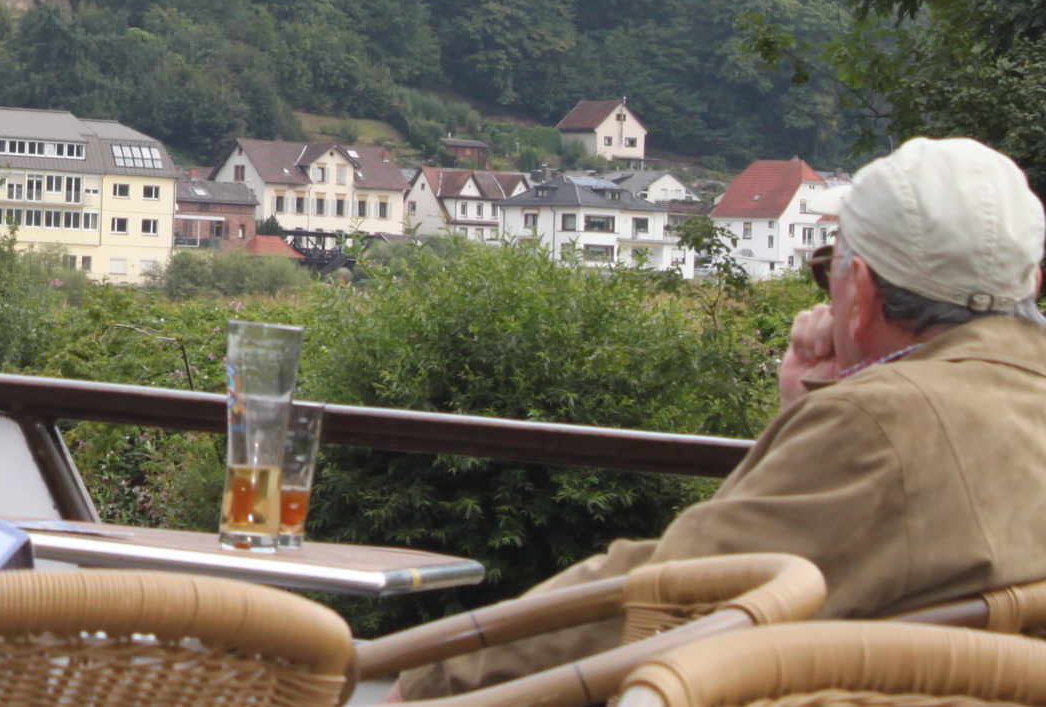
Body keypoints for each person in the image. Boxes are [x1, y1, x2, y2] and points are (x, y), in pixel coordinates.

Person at [400, 136, 1046, 697]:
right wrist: (808, 408)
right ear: (1032, 283)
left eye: (830, 272)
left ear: (863, 295)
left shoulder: (880, 424)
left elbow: (674, 593)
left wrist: (434, 678)